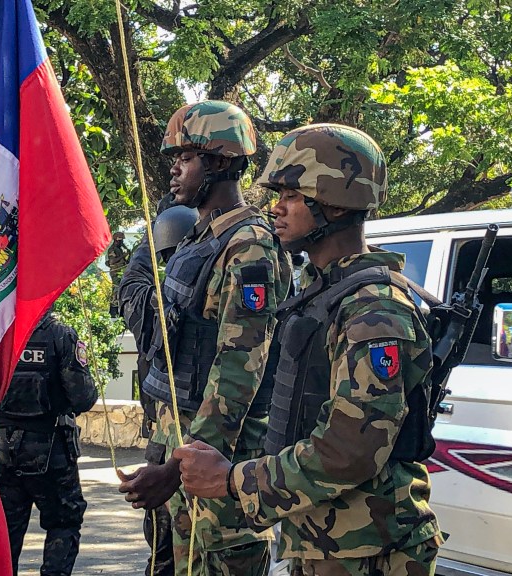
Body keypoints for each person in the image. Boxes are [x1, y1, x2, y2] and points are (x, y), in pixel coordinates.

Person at [173, 124, 443, 576]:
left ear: (334, 203)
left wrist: (233, 480)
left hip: (370, 550)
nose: (275, 209)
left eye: (291, 196)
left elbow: (349, 450)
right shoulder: (326, 294)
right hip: (327, 541)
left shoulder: (372, 311)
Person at [117, 100, 291, 575]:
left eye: (185, 159)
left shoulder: (249, 245)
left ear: (218, 163)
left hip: (220, 461)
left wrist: (178, 470)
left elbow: (240, 368)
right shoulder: (198, 238)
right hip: (182, 445)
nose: (174, 171)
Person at [0, 312, 99, 576]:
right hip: (51, 453)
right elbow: (82, 397)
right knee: (63, 522)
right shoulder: (60, 334)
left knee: (2, 535)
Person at [119, 203, 199, 576]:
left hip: (168, 441)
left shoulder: (151, 302)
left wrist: (147, 245)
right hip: (193, 439)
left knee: (163, 548)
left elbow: (130, 283)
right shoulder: (197, 300)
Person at [107, 231, 132, 316]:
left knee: (121, 290)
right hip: (116, 272)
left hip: (121, 271)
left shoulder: (119, 249)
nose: (122, 243)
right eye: (121, 241)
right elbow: (112, 261)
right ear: (117, 240)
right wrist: (123, 255)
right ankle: (113, 311)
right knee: (116, 290)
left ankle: (120, 309)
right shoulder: (112, 249)